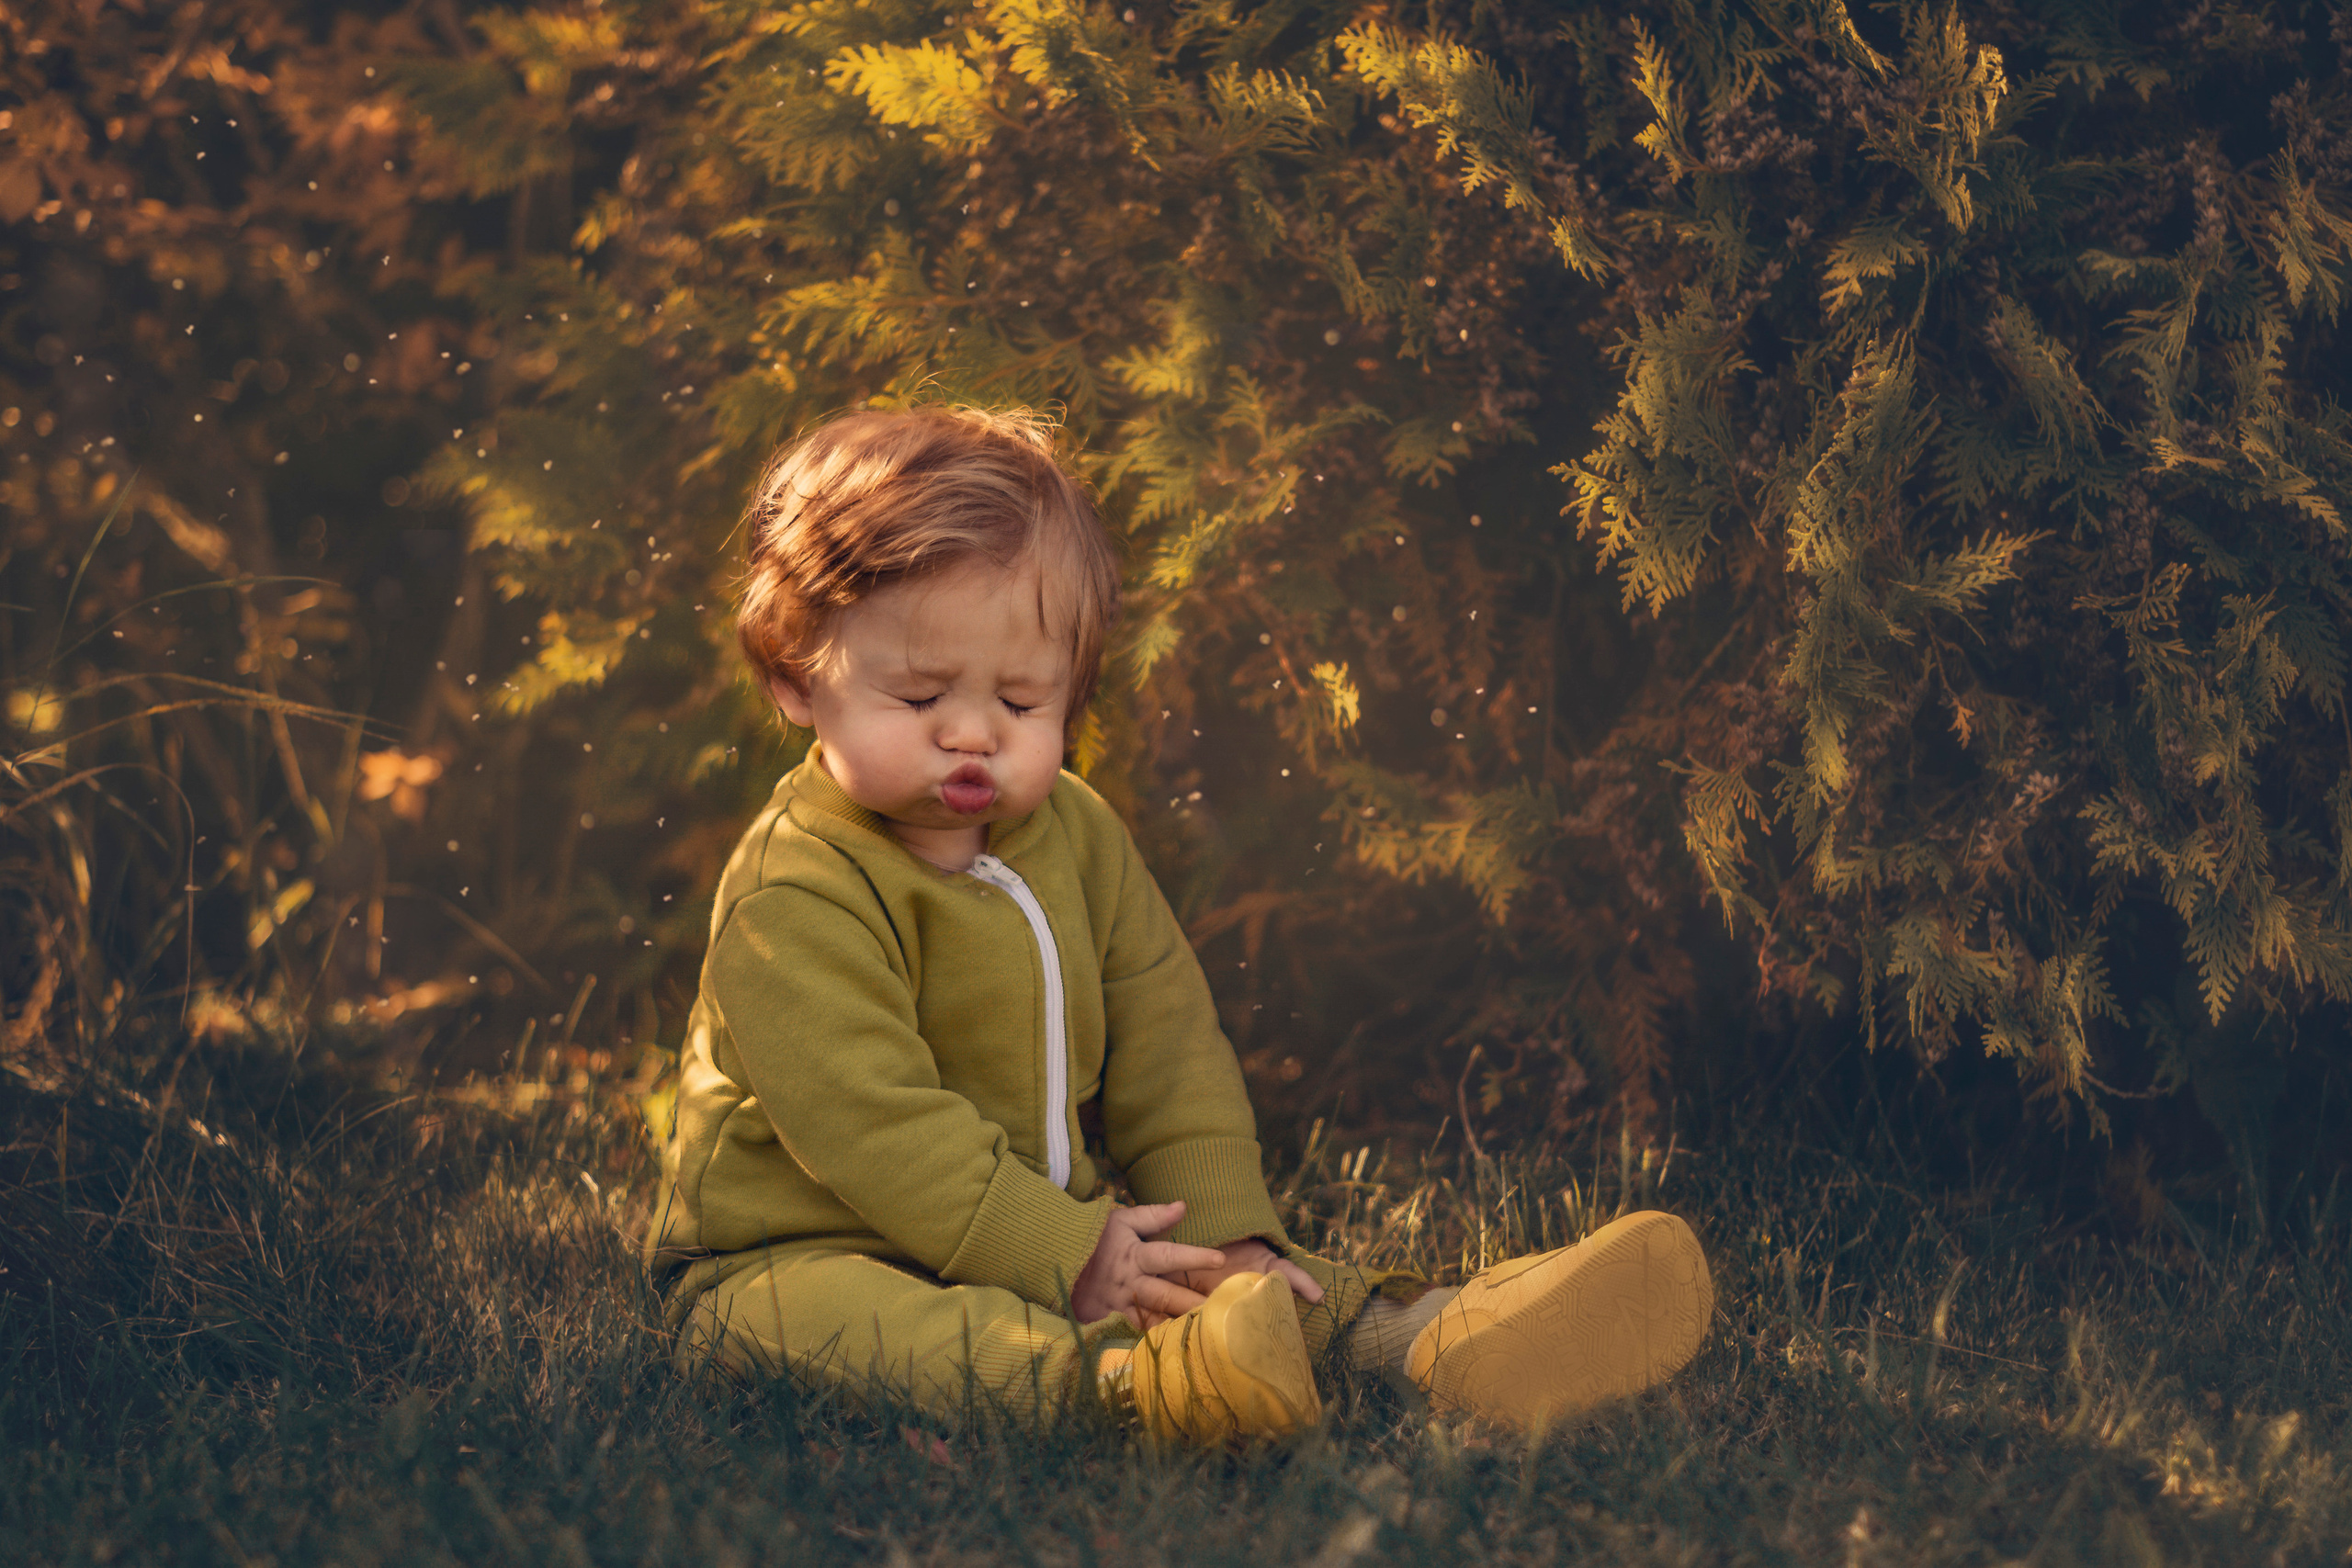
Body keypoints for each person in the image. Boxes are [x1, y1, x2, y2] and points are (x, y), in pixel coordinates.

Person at [646, 403, 1713, 1440]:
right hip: (807, 1252)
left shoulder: (1077, 835)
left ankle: (1434, 1339)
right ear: (795, 677)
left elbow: (1167, 1045)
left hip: (1052, 1239)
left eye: (1020, 703)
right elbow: (873, 1130)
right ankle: (1142, 1389)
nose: (971, 734)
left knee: (1227, 1276)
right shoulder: (797, 890)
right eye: (920, 699)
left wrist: (1223, 1231)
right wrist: (1063, 1251)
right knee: (853, 1329)